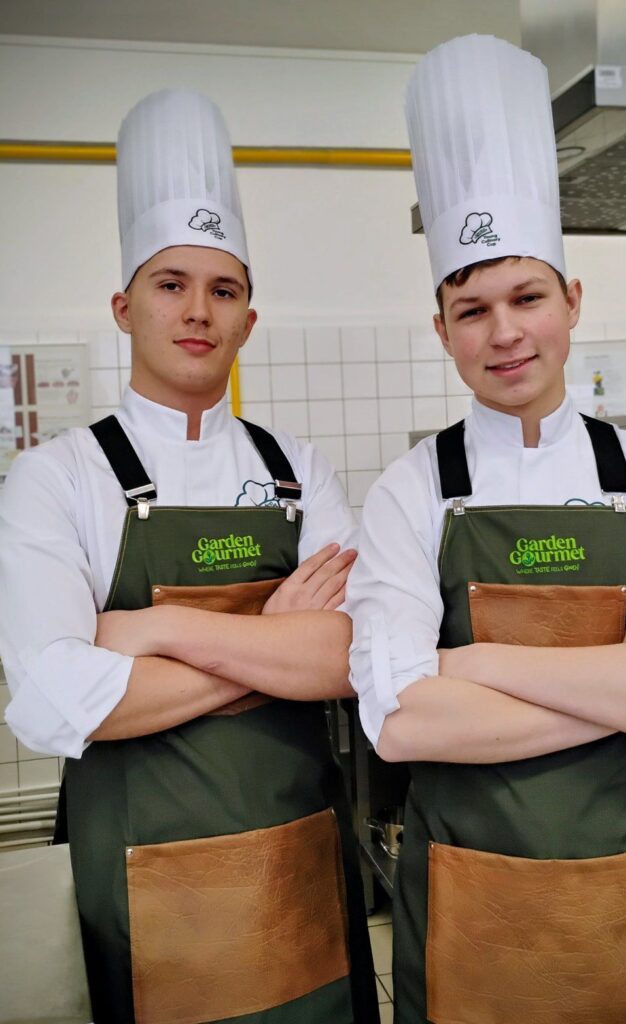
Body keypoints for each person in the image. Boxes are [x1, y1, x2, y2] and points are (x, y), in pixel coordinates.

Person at [346, 35, 626, 1024]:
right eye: (472, 309)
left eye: (527, 297)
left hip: (621, 908)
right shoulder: (409, 491)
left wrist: (475, 663)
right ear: (441, 328)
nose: (504, 333)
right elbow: (400, 722)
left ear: (570, 302)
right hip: (465, 914)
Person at [0, 89, 379, 1024]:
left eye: (224, 290)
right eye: (171, 284)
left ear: (248, 318)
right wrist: (270, 641)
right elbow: (51, 701)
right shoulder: (57, 476)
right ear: (124, 307)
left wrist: (154, 629)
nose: (198, 310)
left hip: (300, 866)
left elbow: (349, 658)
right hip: (144, 889)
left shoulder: (298, 471)